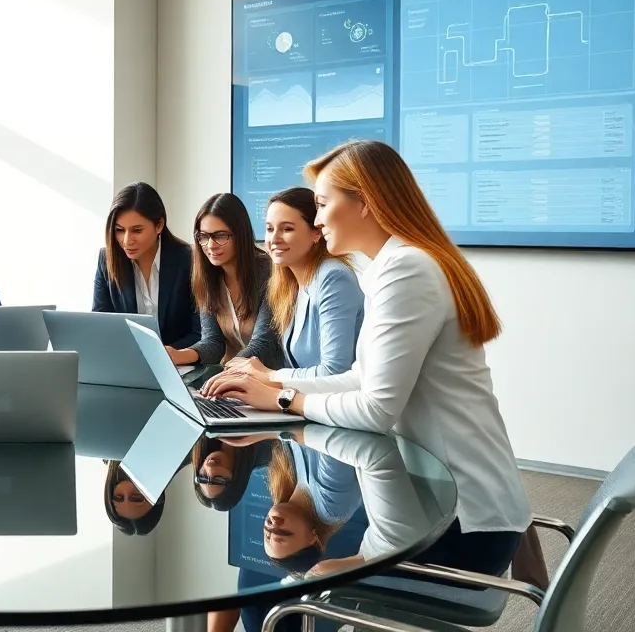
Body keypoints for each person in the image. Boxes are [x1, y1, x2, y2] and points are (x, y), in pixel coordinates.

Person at [204, 139, 532, 576]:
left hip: (458, 525)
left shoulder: (406, 269)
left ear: (365, 202)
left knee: (306, 587)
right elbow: (360, 377)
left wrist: (284, 400)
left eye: (322, 204)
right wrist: (275, 386)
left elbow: (376, 409)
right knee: (309, 582)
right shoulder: (396, 265)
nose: (317, 219)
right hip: (428, 507)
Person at [260, 186, 364, 378]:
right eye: (269, 228)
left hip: (336, 402)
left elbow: (334, 371)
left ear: (316, 232)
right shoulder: (291, 283)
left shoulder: (333, 277)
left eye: (287, 229)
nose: (274, 238)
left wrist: (268, 377)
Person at [171, 193, 281, 367]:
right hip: (232, 376)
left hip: (269, 377)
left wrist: (226, 373)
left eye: (221, 236)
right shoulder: (207, 277)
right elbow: (213, 342)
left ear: (240, 234)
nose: (211, 245)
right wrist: (177, 355)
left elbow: (264, 344)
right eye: (204, 236)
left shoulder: (269, 273)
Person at [92, 182, 201, 353]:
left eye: (137, 230)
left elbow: (199, 333)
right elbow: (100, 327)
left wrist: (163, 353)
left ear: (159, 225)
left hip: (179, 364)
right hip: (127, 363)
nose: (127, 240)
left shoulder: (189, 260)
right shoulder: (106, 260)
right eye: (120, 230)